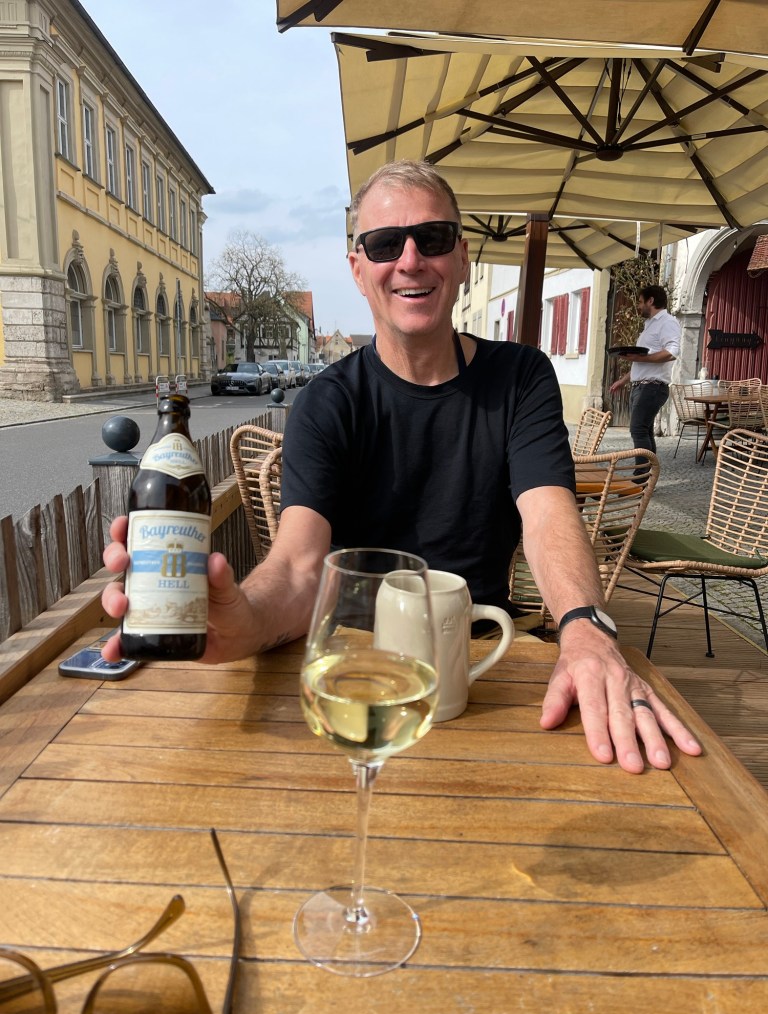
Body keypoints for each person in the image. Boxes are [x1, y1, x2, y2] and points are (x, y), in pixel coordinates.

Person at [102, 160, 701, 775]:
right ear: (358, 270)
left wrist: (585, 628)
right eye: (386, 243)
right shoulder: (327, 402)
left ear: (461, 258)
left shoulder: (521, 377)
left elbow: (549, 515)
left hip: (476, 666)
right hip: (352, 668)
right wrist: (243, 620)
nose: (410, 260)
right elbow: (300, 565)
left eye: (432, 238)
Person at [609, 285, 681, 472]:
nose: (638, 306)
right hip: (642, 386)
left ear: (651, 301)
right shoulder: (650, 325)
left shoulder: (667, 322)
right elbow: (641, 362)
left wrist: (641, 358)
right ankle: (648, 478)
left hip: (653, 387)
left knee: (638, 430)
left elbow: (672, 352)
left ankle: (640, 478)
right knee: (645, 431)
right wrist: (623, 380)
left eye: (640, 302)